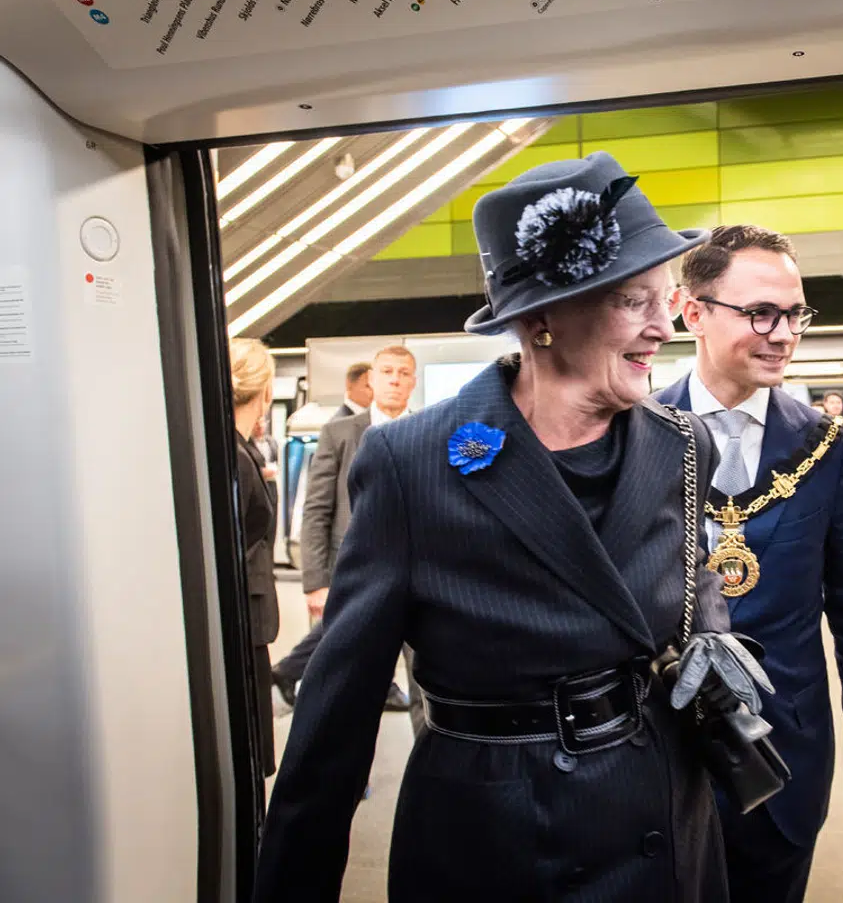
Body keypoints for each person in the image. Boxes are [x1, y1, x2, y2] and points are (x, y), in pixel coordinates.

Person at [255, 153, 768, 903]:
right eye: (636, 301)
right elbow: (337, 715)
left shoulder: (682, 445)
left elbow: (692, 596)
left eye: (668, 299)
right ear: (539, 322)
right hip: (496, 831)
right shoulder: (412, 463)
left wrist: (716, 642)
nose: (665, 326)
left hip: (660, 819)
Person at [659, 224, 843, 903]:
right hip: (659, 752)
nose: (784, 332)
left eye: (795, 313)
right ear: (693, 311)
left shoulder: (828, 448)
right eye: (761, 312)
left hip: (786, 750)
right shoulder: (635, 432)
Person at [270, 346, 418, 721]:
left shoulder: (432, 427)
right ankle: (352, 778)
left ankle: (429, 774)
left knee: (426, 689)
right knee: (352, 689)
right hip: (357, 577)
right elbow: (317, 510)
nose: (395, 380)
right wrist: (315, 581)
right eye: (387, 371)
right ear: (371, 379)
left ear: (414, 381)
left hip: (420, 580)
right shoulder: (339, 434)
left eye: (403, 373)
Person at [231, 338, 281, 777]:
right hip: (243, 623)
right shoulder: (238, 457)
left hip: (246, 622)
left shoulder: (240, 452)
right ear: (264, 391)